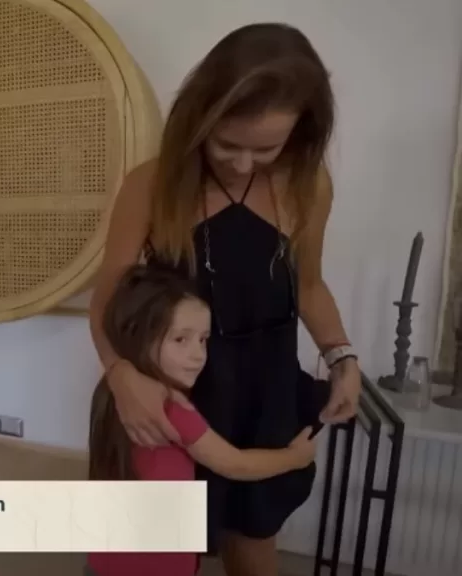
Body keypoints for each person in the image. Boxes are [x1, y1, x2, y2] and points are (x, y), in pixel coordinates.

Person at [89, 23, 362, 576]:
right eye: (226, 144)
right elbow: (107, 299)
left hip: (263, 392)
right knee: (158, 552)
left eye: (265, 149)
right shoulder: (152, 184)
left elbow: (309, 285)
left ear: (302, 130)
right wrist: (122, 375)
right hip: (176, 390)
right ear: (199, 118)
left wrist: (341, 357)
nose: (242, 164)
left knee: (253, 542)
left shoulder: (309, 186)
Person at [86, 265, 319, 576]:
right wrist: (295, 457)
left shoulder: (109, 394)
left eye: (203, 340)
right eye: (181, 339)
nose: (198, 354)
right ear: (139, 335)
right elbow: (235, 464)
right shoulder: (174, 409)